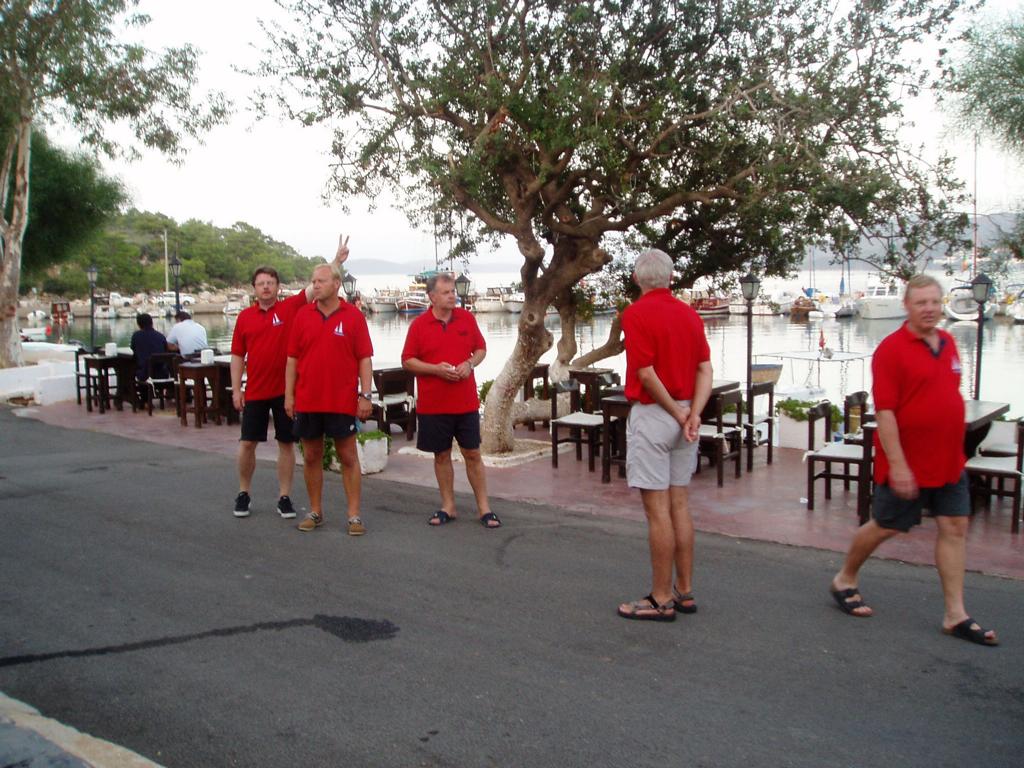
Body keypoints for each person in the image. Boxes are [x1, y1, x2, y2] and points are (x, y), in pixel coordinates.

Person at [829, 274, 998, 645]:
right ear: (907, 306)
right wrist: (899, 465)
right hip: (908, 462)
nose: (929, 309)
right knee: (886, 525)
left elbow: (946, 394)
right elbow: (885, 412)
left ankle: (955, 614)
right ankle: (845, 577)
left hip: (949, 461)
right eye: (921, 303)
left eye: (935, 302)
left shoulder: (948, 342)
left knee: (955, 527)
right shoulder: (891, 350)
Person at [616, 249, 712, 622]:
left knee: (657, 511)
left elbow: (645, 372)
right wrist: (693, 413)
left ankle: (660, 598)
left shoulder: (635, 314)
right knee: (679, 505)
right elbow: (705, 368)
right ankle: (684, 590)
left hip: (657, 415)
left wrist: (675, 411)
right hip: (686, 414)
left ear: (637, 279)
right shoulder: (689, 314)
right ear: (671, 278)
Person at [229, 235, 351, 519]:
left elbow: (317, 284)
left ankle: (284, 496)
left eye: (270, 282)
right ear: (254, 288)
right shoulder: (244, 318)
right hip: (256, 391)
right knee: (247, 443)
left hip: (286, 393)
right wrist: (236, 389)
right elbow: (237, 355)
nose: (266, 287)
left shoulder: (290, 307)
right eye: (261, 283)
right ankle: (244, 492)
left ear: (278, 287)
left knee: (286, 444)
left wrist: (336, 260)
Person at [401, 273, 500, 528]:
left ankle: (484, 509)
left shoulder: (466, 318)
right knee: (441, 455)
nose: (452, 296)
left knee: (473, 453)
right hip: (434, 405)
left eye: (453, 291)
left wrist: (470, 363)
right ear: (432, 297)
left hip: (465, 403)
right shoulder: (419, 326)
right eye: (446, 292)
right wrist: (435, 369)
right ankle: (448, 506)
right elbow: (408, 360)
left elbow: (481, 349)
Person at [285, 263, 373, 535]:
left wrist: (365, 395)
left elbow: (364, 358)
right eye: (313, 281)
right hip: (308, 399)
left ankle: (354, 515)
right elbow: (292, 359)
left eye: (321, 281)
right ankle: (315, 511)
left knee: (348, 456)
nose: (316, 285)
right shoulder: (303, 315)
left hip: (341, 400)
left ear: (336, 284)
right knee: (311, 456)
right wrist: (289, 395)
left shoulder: (353, 316)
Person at [129, 313, 167, 382]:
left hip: (144, 374)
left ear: (139, 324)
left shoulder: (136, 336)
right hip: (162, 373)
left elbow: (133, 349)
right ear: (152, 323)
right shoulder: (161, 336)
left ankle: (129, 387)